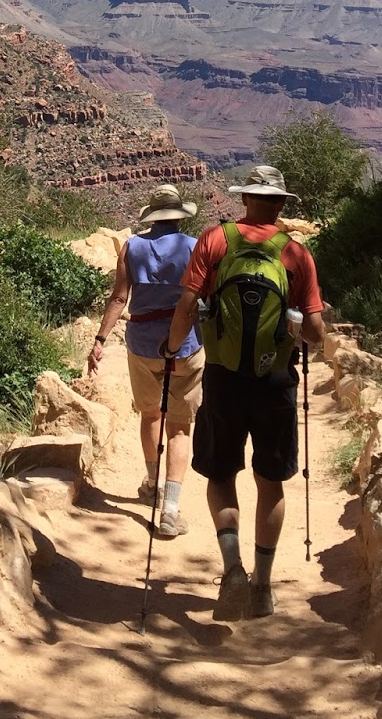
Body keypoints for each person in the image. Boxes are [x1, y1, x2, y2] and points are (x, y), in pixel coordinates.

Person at [162, 164, 325, 618]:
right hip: (275, 381)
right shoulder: (296, 255)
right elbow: (315, 333)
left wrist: (173, 348)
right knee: (270, 483)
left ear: (245, 199)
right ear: (280, 204)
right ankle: (264, 587)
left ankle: (233, 568)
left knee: (220, 475)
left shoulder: (214, 242)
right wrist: (300, 326)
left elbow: (188, 305)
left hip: (223, 376)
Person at [87, 184, 204, 538]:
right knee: (180, 426)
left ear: (151, 216)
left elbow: (119, 297)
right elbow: (204, 298)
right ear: (180, 214)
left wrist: (100, 339)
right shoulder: (194, 247)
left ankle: (151, 483)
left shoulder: (132, 246)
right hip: (185, 345)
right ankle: (170, 510)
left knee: (151, 413)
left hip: (141, 344)